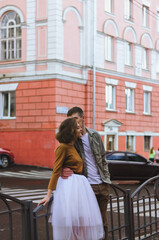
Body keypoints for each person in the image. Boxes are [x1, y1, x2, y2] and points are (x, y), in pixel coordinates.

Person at [38, 118, 104, 240]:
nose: (81, 129)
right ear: (71, 131)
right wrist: (48, 194)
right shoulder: (63, 147)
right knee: (73, 224)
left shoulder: (73, 146)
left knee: (81, 223)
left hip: (79, 186)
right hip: (70, 187)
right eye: (78, 128)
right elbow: (56, 171)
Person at [62, 107, 111, 240]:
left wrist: (106, 179)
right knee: (88, 224)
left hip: (102, 184)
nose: (74, 123)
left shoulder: (94, 135)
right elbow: (62, 156)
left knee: (103, 223)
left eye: (75, 119)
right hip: (87, 187)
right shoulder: (71, 139)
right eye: (70, 120)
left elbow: (102, 158)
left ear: (83, 119)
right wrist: (63, 169)